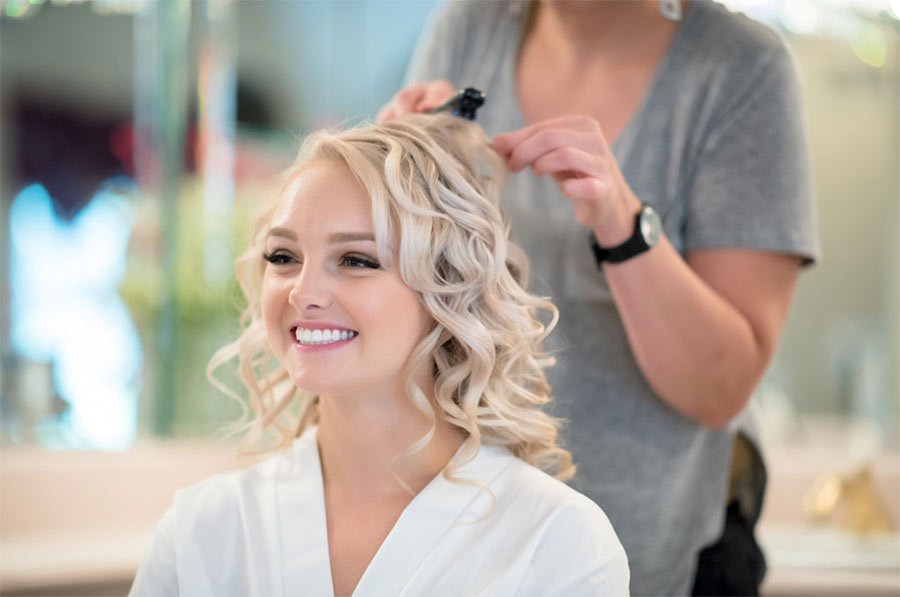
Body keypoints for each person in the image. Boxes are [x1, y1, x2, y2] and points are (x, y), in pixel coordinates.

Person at [378, 1, 819, 595]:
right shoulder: (465, 29)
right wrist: (391, 178)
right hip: (479, 539)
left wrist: (621, 221)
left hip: (662, 547)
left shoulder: (741, 68)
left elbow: (720, 390)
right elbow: (411, 299)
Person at [129, 114, 630, 597]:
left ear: (448, 289)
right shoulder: (202, 530)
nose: (303, 293)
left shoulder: (556, 541)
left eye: (356, 260)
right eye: (284, 257)